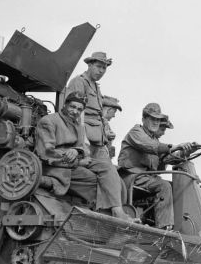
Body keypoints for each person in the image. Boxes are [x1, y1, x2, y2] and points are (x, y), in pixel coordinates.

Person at [35, 91, 133, 221]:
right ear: (65, 105)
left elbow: (84, 148)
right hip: (55, 166)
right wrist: (77, 162)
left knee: (108, 167)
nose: (75, 111)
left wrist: (77, 151)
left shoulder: (78, 125)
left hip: (74, 161)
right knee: (92, 178)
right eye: (72, 107)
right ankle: (103, 215)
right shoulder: (49, 121)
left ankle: (117, 211)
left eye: (79, 109)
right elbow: (46, 153)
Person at [118, 103, 193, 229]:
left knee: (175, 187)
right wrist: (175, 146)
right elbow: (152, 146)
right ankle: (163, 229)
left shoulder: (155, 140)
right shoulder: (136, 132)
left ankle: (175, 226)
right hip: (129, 177)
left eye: (158, 120)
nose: (155, 122)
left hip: (144, 178)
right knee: (164, 186)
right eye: (152, 119)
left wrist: (185, 152)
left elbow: (168, 158)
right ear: (143, 119)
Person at [67, 51, 112, 159]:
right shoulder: (79, 81)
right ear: (90, 65)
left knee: (109, 169)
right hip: (85, 141)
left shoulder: (96, 86)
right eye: (98, 66)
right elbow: (75, 113)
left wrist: (105, 137)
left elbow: (98, 115)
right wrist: (82, 140)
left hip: (98, 142)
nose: (101, 71)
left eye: (104, 68)